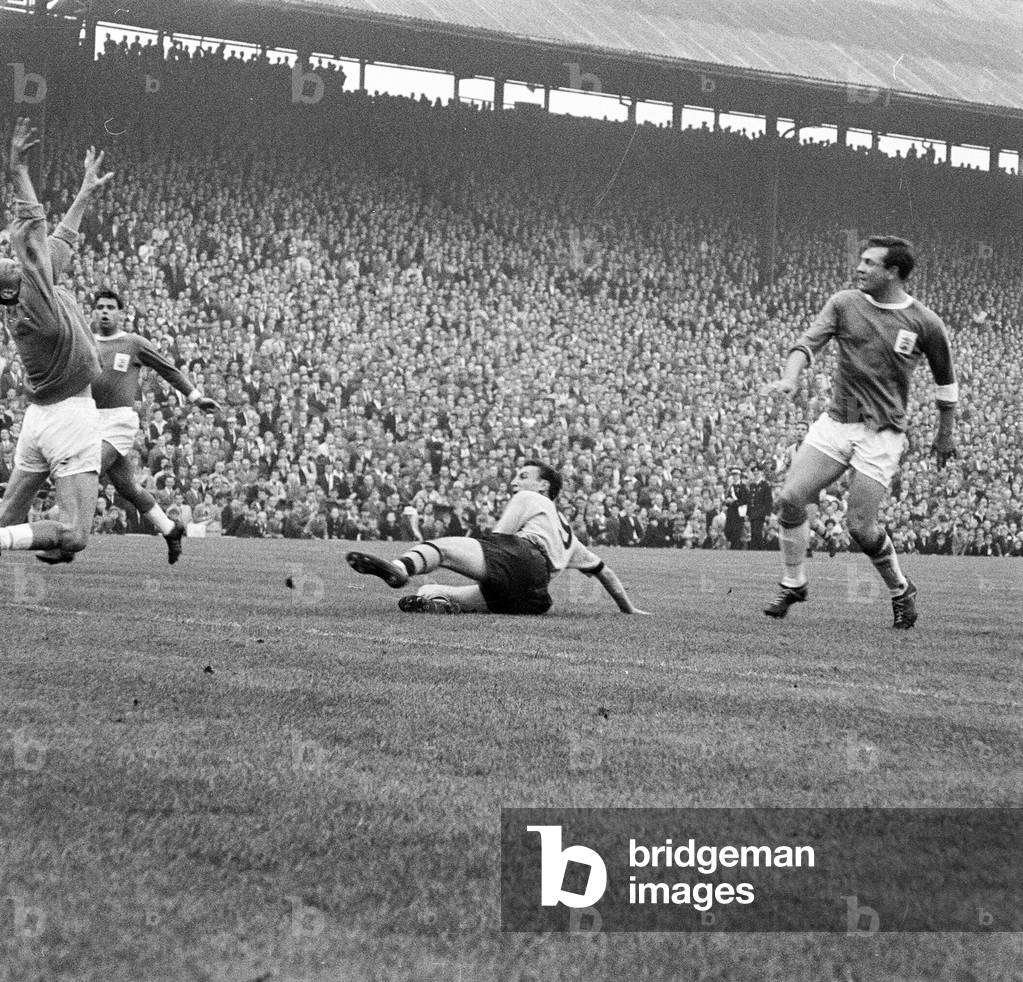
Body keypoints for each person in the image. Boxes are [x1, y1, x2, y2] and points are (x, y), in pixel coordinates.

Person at [761, 235, 957, 629]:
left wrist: (945, 435)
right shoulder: (844, 303)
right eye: (861, 261)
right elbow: (807, 344)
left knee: (859, 527)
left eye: (869, 263)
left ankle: (901, 589)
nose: (860, 268)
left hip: (882, 431)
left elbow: (946, 386)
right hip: (839, 418)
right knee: (789, 498)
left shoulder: (925, 323)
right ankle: (794, 581)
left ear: (893, 272)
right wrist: (790, 379)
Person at [0, 119, 110, 562]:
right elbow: (32, 225)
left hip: (40, 419)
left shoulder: (35, 287)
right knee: (75, 534)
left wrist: (84, 193)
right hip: (68, 416)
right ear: (8, 287)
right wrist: (17, 171)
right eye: (5, 262)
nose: (10, 259)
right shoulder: (33, 300)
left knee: (9, 515)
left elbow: (61, 239)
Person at [344, 459, 649, 615]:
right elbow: (604, 572)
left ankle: (399, 569)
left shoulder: (533, 498)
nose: (516, 481)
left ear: (543, 487)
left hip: (520, 558)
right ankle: (435, 603)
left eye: (524, 476)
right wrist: (629, 609)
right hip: (534, 598)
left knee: (440, 549)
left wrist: (482, 562)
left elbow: (499, 540)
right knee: (431, 592)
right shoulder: (569, 533)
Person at [90, 289, 222, 563]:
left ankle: (62, 536)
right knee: (127, 487)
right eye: (100, 306)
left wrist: (196, 397)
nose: (104, 311)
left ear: (121, 313)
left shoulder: (133, 343)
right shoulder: (85, 342)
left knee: (86, 471)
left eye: (110, 307)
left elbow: (167, 369)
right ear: (93, 311)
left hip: (118, 421)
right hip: (89, 419)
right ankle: (171, 529)